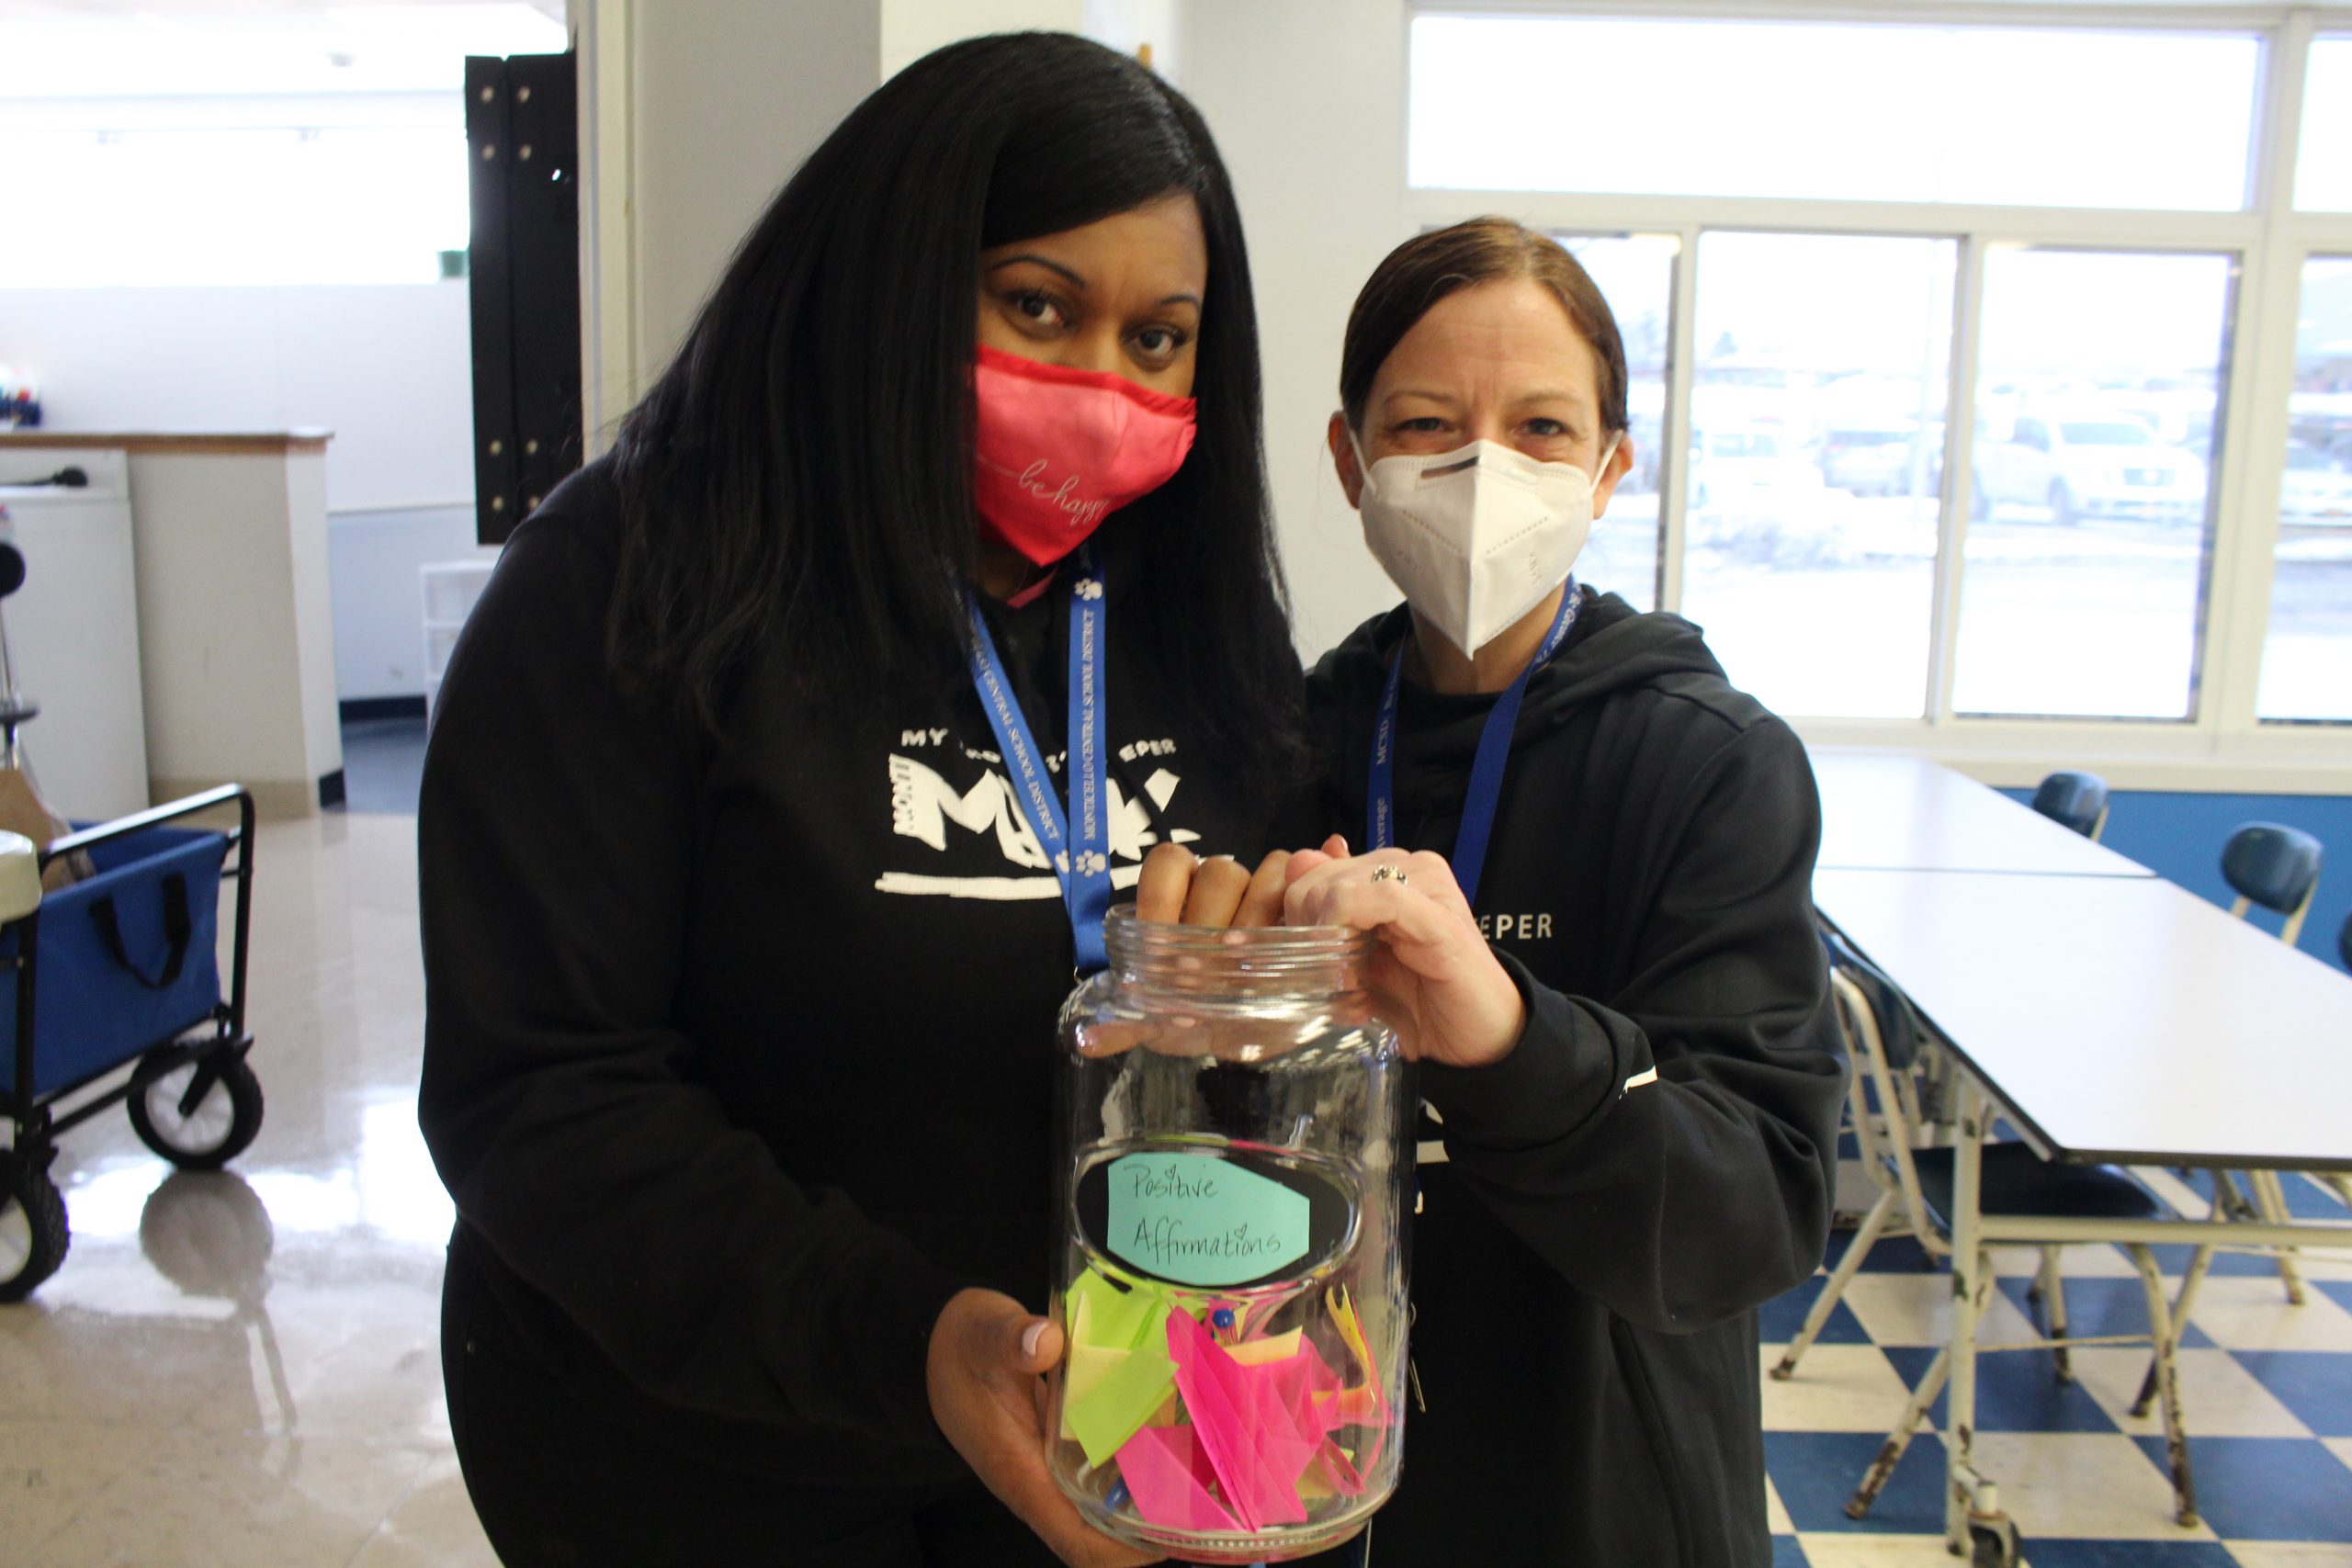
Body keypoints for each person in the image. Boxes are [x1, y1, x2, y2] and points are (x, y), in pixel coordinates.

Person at [415, 34, 1306, 1567]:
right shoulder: (627, 584)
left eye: (1159, 340)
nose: (1100, 387)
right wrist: (909, 1343)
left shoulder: (1187, 611)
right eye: (1037, 305)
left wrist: (1241, 1022)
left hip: (1093, 1424)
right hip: (697, 1457)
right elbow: (545, 1096)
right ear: (891, 277)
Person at [1155, 217, 1849, 1565]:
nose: (1482, 469)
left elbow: (1758, 1207)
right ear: (1351, 463)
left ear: (1608, 469)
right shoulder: (1284, 745)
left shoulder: (1710, 767)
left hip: (1592, 1485)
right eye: (1424, 424)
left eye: (1540, 427)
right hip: (1300, 1454)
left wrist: (1514, 1044)